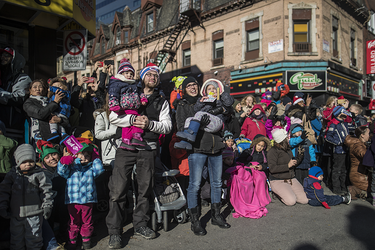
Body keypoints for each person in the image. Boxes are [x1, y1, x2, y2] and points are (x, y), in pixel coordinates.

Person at [106, 63, 172, 248]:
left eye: (156, 76)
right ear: (142, 77)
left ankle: (140, 225)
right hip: (125, 148)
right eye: (149, 74)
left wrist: (149, 124)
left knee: (145, 189)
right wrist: (132, 120)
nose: (153, 78)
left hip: (148, 147)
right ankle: (115, 232)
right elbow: (112, 117)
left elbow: (167, 127)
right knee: (117, 190)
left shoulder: (161, 100)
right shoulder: (127, 89)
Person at [174, 76, 230, 237]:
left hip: (216, 147)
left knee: (217, 183)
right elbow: (181, 125)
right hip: (198, 148)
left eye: (194, 85)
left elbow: (225, 118)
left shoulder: (209, 99)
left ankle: (216, 215)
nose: (192, 87)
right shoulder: (183, 104)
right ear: (184, 89)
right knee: (195, 185)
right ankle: (195, 221)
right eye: (189, 85)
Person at [0, 144, 54, 249]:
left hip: (35, 214)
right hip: (16, 214)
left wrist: (47, 205)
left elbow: (46, 191)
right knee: (16, 239)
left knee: (34, 239)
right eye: (24, 162)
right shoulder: (12, 175)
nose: (28, 164)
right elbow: (4, 190)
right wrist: (2, 206)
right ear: (18, 162)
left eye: (31, 161)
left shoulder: (40, 174)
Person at [57, 138, 104, 250]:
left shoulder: (91, 168)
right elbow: (61, 172)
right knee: (73, 221)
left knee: (87, 221)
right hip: (73, 201)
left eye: (87, 155)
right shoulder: (71, 168)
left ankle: (86, 240)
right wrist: (64, 161)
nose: (84, 157)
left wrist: (96, 158)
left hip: (87, 200)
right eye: (81, 154)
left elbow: (100, 170)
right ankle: (72, 241)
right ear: (75, 155)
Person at [174, 79, 233, 150]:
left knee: (199, 114)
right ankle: (187, 140)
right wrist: (201, 102)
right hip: (199, 144)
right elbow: (182, 124)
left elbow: (229, 104)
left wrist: (221, 96)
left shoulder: (220, 98)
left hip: (215, 131)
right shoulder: (200, 100)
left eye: (214, 88)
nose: (212, 91)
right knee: (189, 119)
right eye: (188, 86)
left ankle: (190, 136)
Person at [107, 58, 148, 148]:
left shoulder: (134, 84)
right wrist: (114, 105)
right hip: (124, 108)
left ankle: (136, 136)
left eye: (131, 74)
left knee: (135, 121)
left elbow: (139, 92)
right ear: (121, 74)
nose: (129, 75)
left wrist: (143, 99)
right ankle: (126, 139)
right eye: (126, 73)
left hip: (134, 107)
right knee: (127, 124)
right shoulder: (117, 83)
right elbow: (113, 94)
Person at [267, 129, 308, 206]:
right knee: (291, 201)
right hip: (278, 180)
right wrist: (287, 166)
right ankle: (277, 193)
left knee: (304, 200)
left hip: (291, 178)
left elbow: (293, 164)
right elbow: (272, 168)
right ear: (281, 140)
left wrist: (300, 156)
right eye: (286, 138)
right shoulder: (273, 151)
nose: (288, 139)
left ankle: (287, 191)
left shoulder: (287, 149)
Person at [0, 47, 32, 142]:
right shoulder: (2, 77)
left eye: (7, 55)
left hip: (12, 126)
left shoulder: (22, 78)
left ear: (15, 59)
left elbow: (19, 97)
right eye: (1, 55)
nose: (3, 57)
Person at [23, 79, 66, 143]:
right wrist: (55, 102)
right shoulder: (28, 103)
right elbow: (40, 114)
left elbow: (66, 119)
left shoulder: (50, 100)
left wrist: (60, 120)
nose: (37, 89)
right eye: (34, 87)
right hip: (41, 137)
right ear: (30, 91)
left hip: (59, 137)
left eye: (40, 87)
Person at [325, 106, 351, 195]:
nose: (346, 113)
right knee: (337, 170)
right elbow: (328, 137)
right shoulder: (334, 124)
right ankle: (336, 188)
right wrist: (338, 142)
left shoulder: (344, 123)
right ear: (339, 113)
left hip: (345, 150)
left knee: (344, 170)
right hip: (338, 150)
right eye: (344, 112)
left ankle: (343, 187)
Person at [344, 126, 371, 199]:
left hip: (361, 174)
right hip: (359, 176)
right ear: (362, 135)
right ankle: (355, 191)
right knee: (372, 189)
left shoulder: (361, 144)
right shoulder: (357, 145)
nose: (369, 135)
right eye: (368, 133)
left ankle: (358, 191)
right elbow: (363, 154)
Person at [94, 94, 120, 168]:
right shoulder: (102, 116)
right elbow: (98, 134)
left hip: (125, 153)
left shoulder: (126, 115)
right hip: (110, 155)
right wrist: (115, 131)